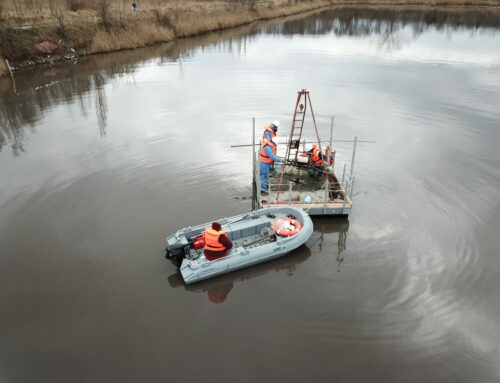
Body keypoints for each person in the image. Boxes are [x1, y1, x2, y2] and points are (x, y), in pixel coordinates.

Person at [259, 121, 282, 194]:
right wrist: (281, 160)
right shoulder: (268, 147)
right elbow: (272, 156)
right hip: (264, 162)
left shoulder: (270, 144)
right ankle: (262, 189)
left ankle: (266, 186)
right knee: (264, 175)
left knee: (266, 174)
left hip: (267, 162)